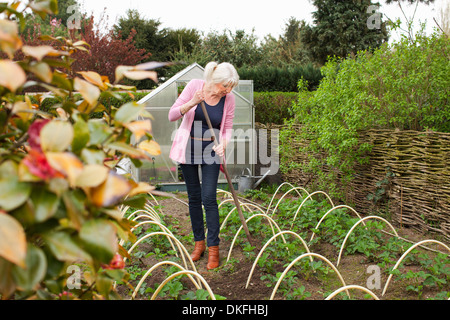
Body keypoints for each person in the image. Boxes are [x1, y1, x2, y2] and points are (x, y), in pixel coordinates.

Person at [168, 62, 239, 270]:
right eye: (225, 86)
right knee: (194, 198)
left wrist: (223, 145)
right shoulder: (194, 86)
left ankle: (213, 248)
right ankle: (198, 245)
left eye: (230, 87)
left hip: (211, 152)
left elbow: (227, 128)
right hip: (188, 149)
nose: (227, 91)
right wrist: (192, 102)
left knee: (209, 197)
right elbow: (172, 114)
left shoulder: (228, 99)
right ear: (215, 80)